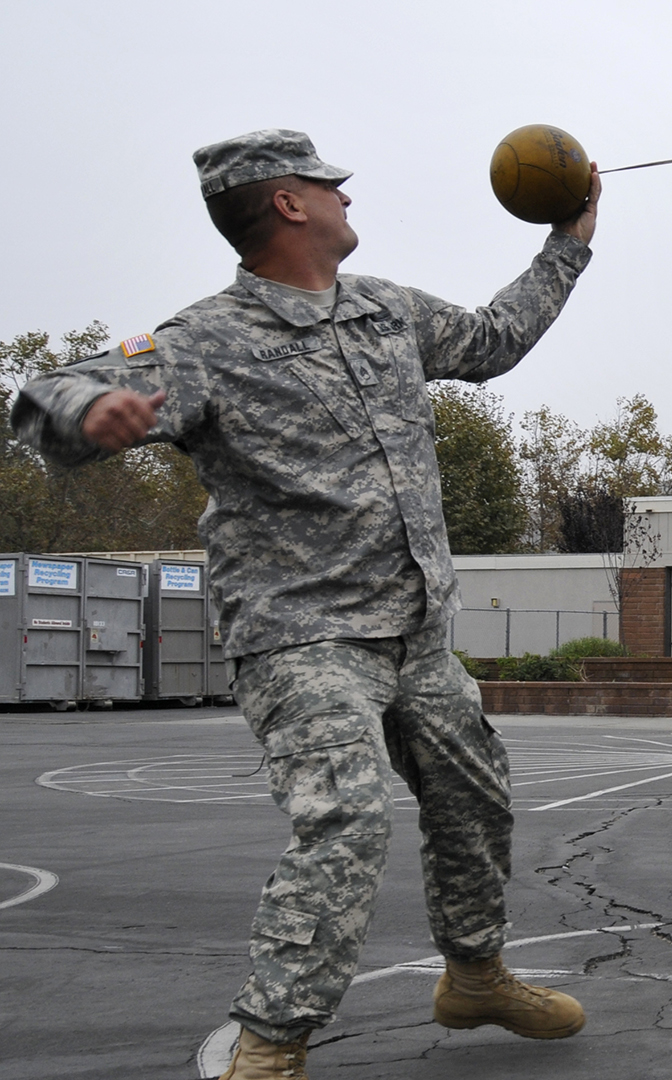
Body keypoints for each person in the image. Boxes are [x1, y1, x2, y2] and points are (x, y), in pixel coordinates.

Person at [11, 130, 598, 1079]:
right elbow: (56, 387)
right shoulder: (206, 341)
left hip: (414, 632)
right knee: (349, 816)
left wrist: (569, 240)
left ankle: (476, 974)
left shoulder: (386, 312)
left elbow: (493, 342)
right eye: (332, 187)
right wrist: (88, 414)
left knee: (475, 801)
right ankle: (271, 1043)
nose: (347, 199)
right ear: (288, 203)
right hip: (302, 638)